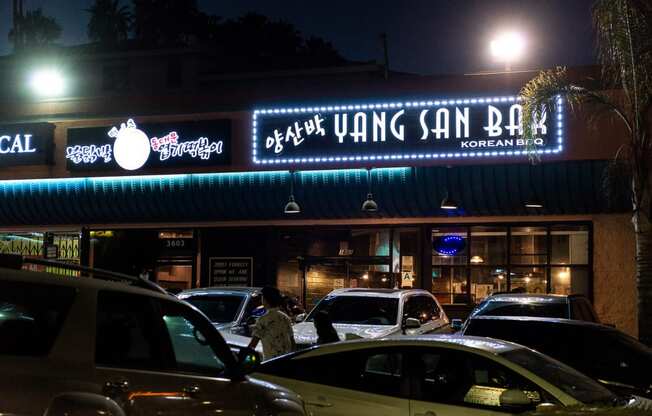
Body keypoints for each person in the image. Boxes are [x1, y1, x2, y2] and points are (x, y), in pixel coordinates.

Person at [248, 286, 295, 359]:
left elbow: (252, 345)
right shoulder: (285, 318)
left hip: (271, 362)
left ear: (265, 300)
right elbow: (292, 342)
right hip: (286, 361)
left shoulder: (262, 320)